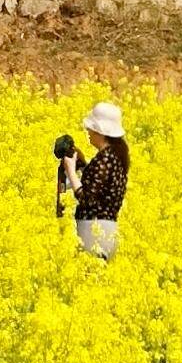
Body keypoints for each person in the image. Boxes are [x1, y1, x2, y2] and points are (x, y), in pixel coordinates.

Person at [69, 101, 128, 261]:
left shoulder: (105, 159)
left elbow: (87, 198)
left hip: (93, 231)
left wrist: (70, 170)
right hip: (108, 231)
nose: (88, 131)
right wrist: (83, 165)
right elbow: (100, 188)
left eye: (91, 128)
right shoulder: (115, 158)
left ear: (100, 132)